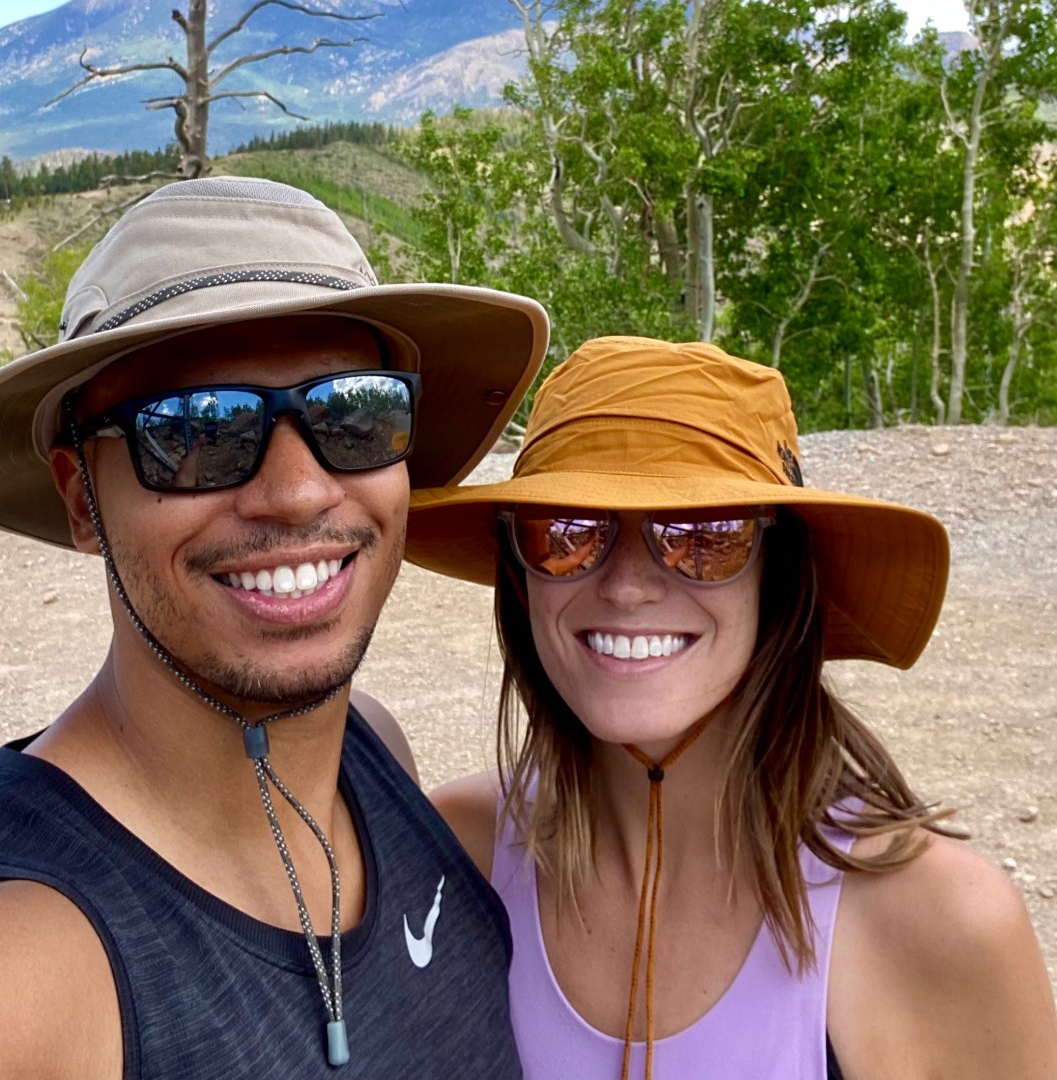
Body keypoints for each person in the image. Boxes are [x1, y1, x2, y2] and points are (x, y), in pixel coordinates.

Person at [0, 175, 549, 1080]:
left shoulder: (373, 754)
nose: (297, 492)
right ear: (82, 499)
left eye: (356, 412)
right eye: (195, 432)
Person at [408, 336, 1057, 1080]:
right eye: (565, 532)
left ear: (777, 578)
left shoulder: (942, 924)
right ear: (520, 576)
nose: (626, 586)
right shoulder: (450, 857)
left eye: (705, 535)